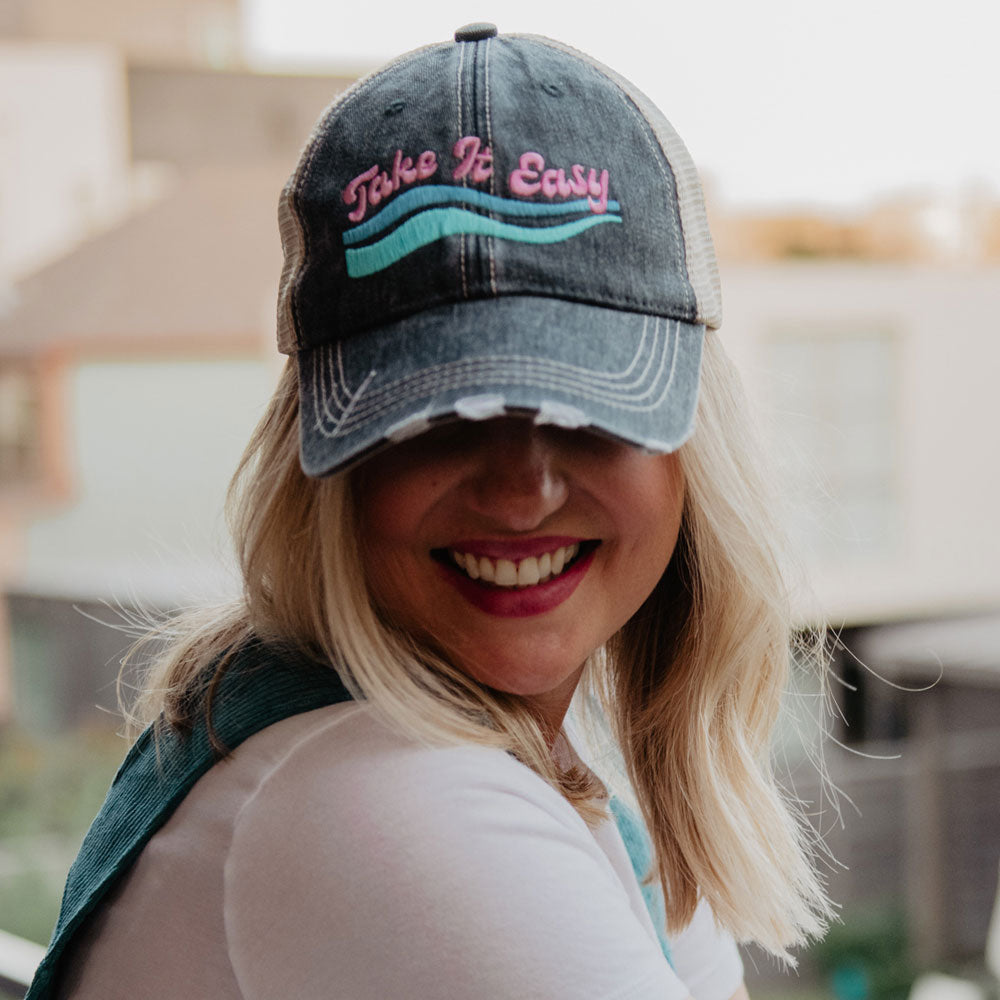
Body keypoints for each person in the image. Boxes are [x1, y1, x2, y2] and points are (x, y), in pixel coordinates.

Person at [27, 23, 832, 1000]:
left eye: (586, 409)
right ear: (323, 465)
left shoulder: (503, 758)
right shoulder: (391, 793)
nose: (523, 487)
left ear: (692, 440)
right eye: (439, 416)